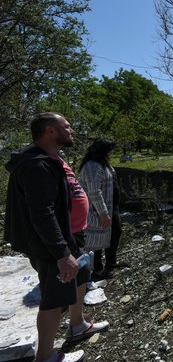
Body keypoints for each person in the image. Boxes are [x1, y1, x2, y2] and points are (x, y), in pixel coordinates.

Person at [4, 112, 109, 362]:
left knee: (81, 276)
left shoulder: (53, 158)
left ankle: (77, 325)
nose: (71, 131)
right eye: (67, 126)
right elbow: (41, 213)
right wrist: (62, 253)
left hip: (72, 234)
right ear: (51, 131)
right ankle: (45, 356)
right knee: (54, 298)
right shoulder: (35, 165)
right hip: (54, 243)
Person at [79, 138, 123, 280]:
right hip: (98, 210)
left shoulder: (102, 163)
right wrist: (103, 213)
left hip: (111, 207)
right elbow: (94, 192)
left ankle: (110, 263)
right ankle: (96, 270)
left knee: (115, 232)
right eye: (110, 149)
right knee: (95, 240)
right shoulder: (93, 166)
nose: (111, 152)